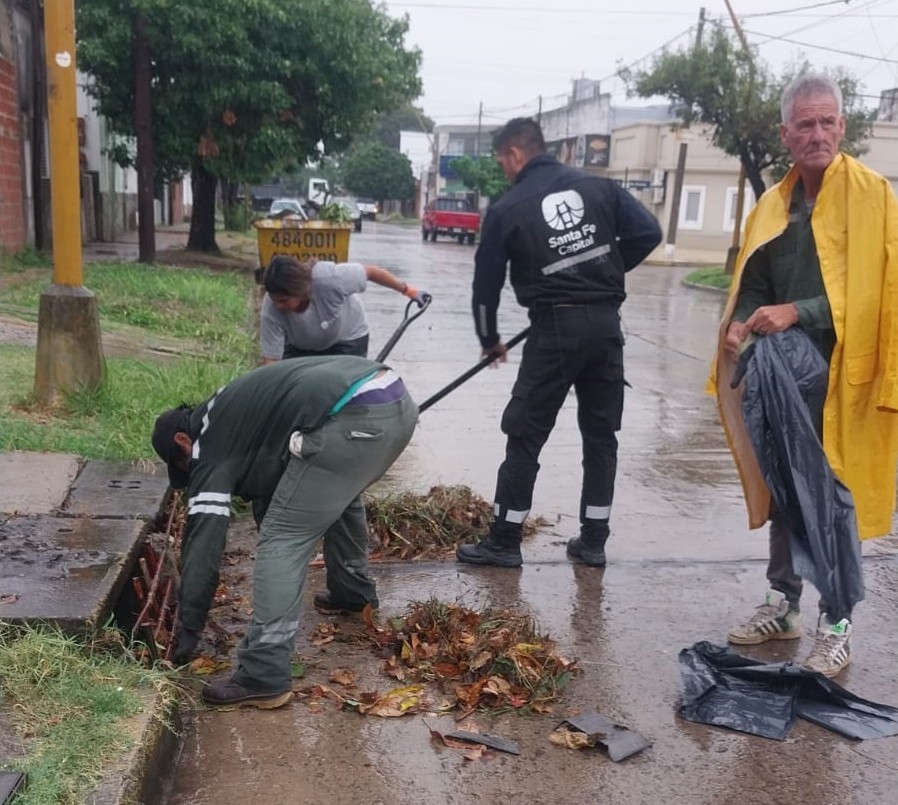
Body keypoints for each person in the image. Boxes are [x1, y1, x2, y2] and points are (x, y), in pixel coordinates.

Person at [711, 73, 898, 678]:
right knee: (785, 486)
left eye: (828, 122)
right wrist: (741, 323)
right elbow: (756, 287)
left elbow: (879, 295)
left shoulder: (875, 198)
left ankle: (837, 621)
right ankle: (784, 603)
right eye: (805, 124)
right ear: (785, 134)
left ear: (843, 127)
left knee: (832, 492)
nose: (817, 134)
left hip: (849, 375)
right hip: (781, 373)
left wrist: (801, 311)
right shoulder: (774, 205)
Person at [455, 117, 662, 569]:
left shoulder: (508, 209)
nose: (503, 169)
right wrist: (602, 273)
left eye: (501, 160)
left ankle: (505, 540)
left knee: (525, 433)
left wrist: (490, 340)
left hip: (555, 331)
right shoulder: (600, 188)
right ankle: (593, 542)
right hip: (606, 328)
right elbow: (650, 233)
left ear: (513, 153)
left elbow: (484, 287)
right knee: (601, 434)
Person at [152, 356, 418, 708]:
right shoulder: (228, 409)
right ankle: (352, 593)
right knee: (338, 490)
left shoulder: (208, 446)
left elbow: (204, 542)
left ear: (183, 441)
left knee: (282, 537)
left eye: (185, 465)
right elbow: (270, 468)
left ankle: (263, 673)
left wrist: (190, 625)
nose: (192, 473)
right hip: (394, 401)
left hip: (349, 419)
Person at [259, 255, 427, 362]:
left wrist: (408, 290)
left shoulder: (328, 278)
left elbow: (371, 273)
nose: (278, 306)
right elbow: (272, 361)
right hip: (300, 347)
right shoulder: (271, 307)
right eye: (275, 301)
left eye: (284, 301)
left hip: (347, 339)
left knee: (342, 393)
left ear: (299, 290)